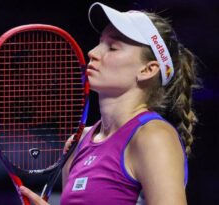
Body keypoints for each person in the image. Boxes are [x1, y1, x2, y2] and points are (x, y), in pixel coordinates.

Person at [20, 2, 199, 205]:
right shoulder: (77, 143)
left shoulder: (153, 137)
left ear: (147, 70)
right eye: (99, 42)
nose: (93, 53)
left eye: (113, 47)